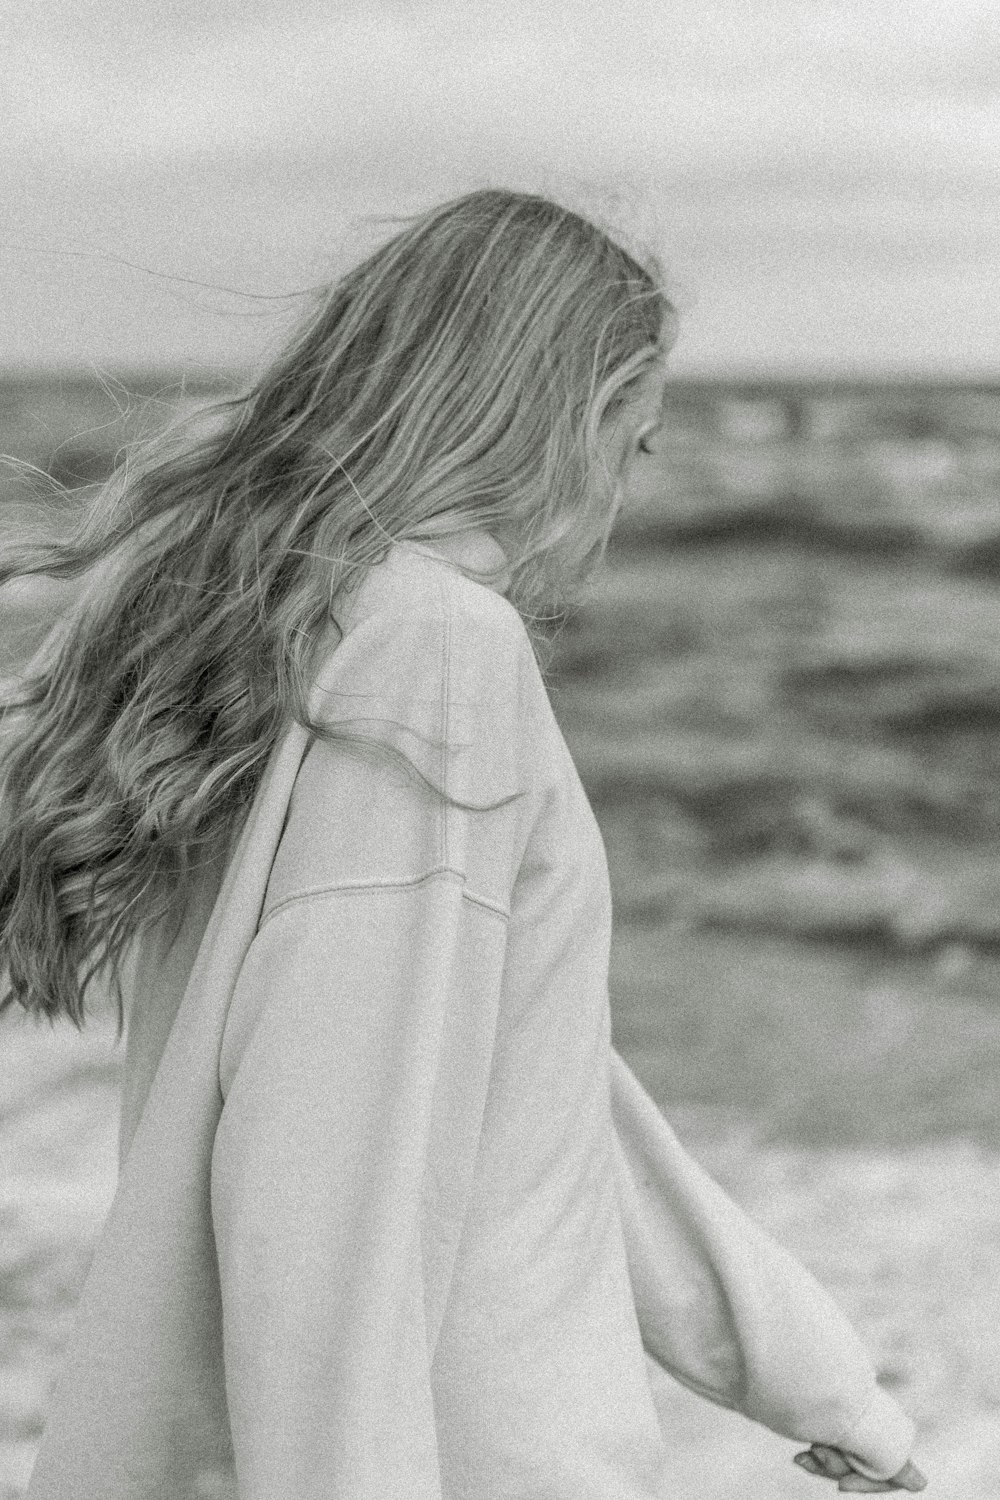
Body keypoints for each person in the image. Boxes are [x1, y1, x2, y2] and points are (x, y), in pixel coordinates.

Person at [0, 188, 926, 1499]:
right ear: (563, 419)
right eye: (637, 443)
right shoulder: (435, 652)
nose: (623, 492)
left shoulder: (290, 639)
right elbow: (329, 1189)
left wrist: (811, 1377)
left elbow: (547, 1107)